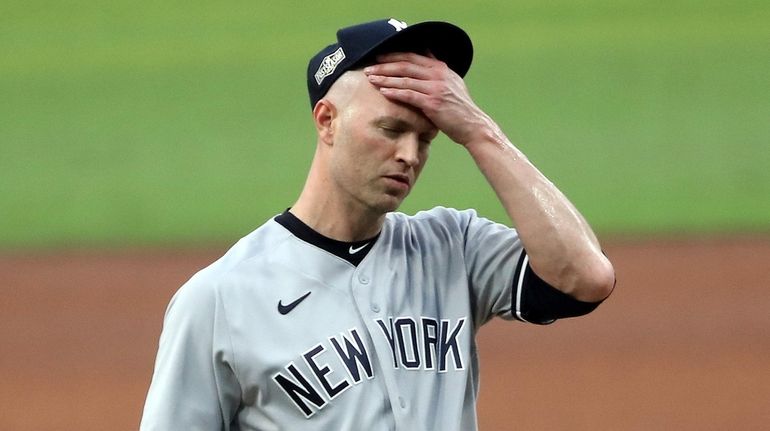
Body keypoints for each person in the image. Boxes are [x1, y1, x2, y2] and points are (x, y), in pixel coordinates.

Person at [140, 18, 615, 431]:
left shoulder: (454, 246)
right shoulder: (220, 299)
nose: (409, 155)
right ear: (327, 122)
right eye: (390, 130)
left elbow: (584, 277)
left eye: (426, 138)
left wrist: (478, 130)